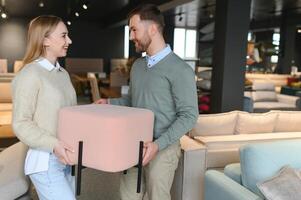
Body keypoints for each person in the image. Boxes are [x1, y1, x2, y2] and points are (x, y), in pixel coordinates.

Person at [95, 4, 198, 200]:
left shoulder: (181, 70)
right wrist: (109, 102)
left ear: (152, 29)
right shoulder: (138, 66)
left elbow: (190, 116)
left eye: (134, 29)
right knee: (127, 196)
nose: (131, 36)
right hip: (134, 142)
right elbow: (134, 101)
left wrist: (158, 145)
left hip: (163, 148)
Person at [12, 15, 76, 200]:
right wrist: (54, 144)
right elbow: (21, 123)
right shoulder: (29, 74)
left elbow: (67, 114)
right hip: (45, 161)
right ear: (45, 40)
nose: (69, 41)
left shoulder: (62, 74)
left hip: (67, 158)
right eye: (64, 36)